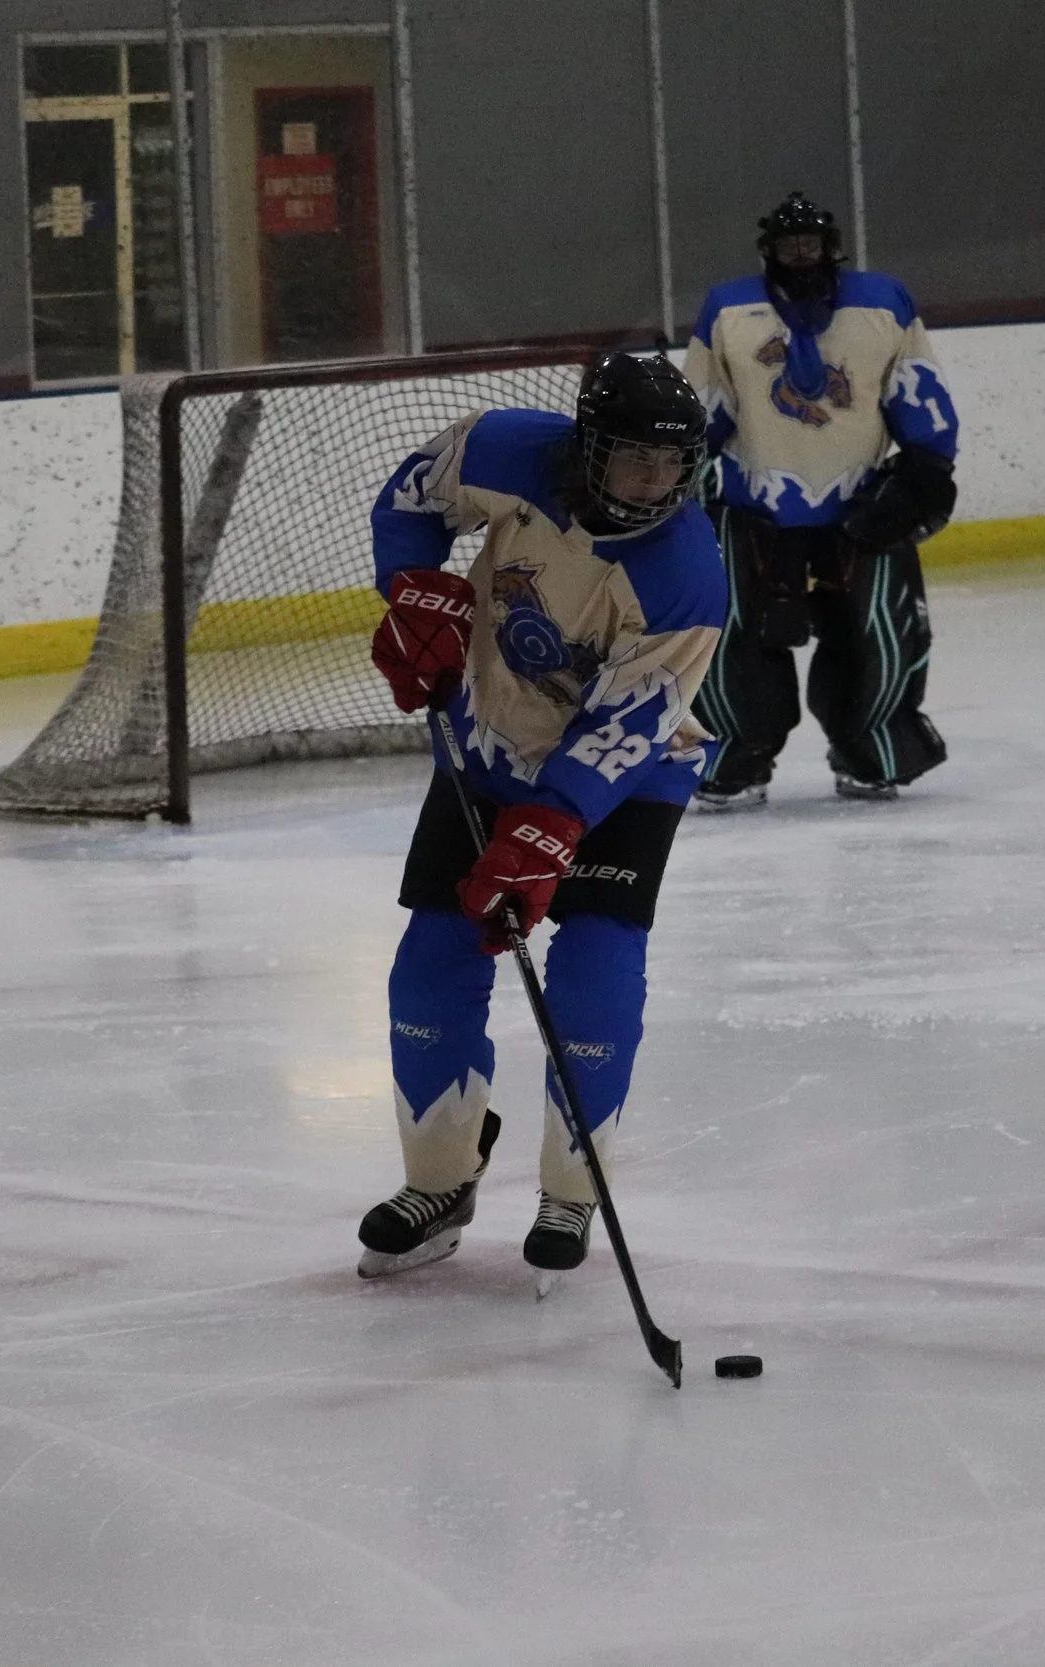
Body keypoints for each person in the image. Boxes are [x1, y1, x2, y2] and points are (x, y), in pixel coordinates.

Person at [354, 350, 725, 1287]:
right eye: (635, 458)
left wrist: (549, 823)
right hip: (489, 742)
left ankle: (571, 1190)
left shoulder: (686, 575)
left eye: (672, 464)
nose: (655, 482)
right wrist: (411, 589)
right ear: (588, 445)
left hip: (628, 779)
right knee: (430, 963)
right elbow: (411, 500)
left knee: (594, 970)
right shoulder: (502, 449)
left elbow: (633, 722)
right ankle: (439, 1179)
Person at [684, 191, 961, 807]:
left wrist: (926, 466)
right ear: (769, 250)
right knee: (730, 637)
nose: (801, 254)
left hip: (862, 502)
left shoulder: (884, 302)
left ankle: (872, 750)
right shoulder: (728, 308)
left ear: (832, 247)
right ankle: (735, 757)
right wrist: (681, 472)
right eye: (789, 245)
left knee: (880, 633)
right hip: (752, 503)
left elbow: (916, 388)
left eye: (810, 243)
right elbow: (705, 403)